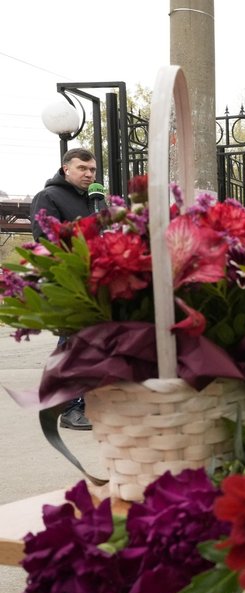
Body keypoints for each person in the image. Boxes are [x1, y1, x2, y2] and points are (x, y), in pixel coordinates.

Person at [29, 147, 102, 431]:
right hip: (68, 285)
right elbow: (46, 243)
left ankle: (85, 402)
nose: (88, 174)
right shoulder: (48, 198)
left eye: (92, 170)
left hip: (95, 284)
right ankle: (69, 408)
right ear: (65, 169)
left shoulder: (94, 201)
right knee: (71, 347)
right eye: (82, 168)